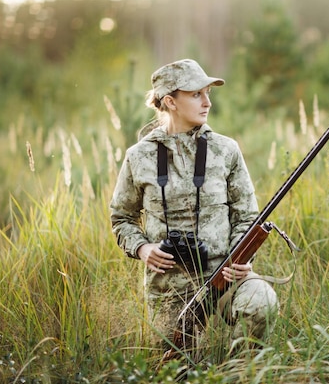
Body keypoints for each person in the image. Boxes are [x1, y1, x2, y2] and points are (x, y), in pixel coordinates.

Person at [109, 58, 278, 363]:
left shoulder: (226, 150)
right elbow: (121, 218)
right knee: (175, 369)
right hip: (168, 286)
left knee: (260, 301)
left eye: (208, 93)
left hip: (224, 274)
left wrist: (242, 256)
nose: (207, 102)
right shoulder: (139, 156)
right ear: (170, 101)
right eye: (196, 94)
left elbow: (248, 216)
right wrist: (143, 248)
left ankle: (240, 374)